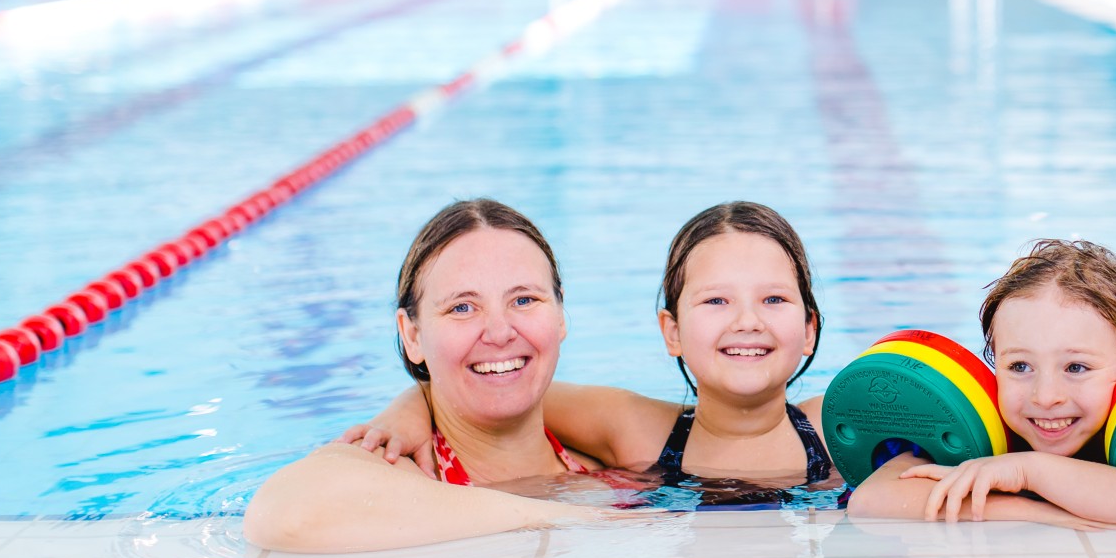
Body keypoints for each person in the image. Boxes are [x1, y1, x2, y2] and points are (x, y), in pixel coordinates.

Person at [342, 201, 836, 495]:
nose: (747, 321)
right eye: (716, 300)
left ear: (809, 328)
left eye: (774, 299)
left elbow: (508, 383)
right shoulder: (634, 430)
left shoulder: (837, 427)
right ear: (672, 332)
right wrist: (403, 416)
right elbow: (467, 387)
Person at [243, 199, 619, 552]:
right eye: (462, 307)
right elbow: (283, 514)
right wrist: (562, 517)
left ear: (559, 315)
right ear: (412, 335)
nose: (500, 332)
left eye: (524, 300)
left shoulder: (613, 467)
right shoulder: (400, 477)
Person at [846, 240, 1116, 530]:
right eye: (1019, 365)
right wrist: (1027, 509)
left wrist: (1027, 471)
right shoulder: (983, 433)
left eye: (1076, 366)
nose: (1046, 397)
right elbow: (871, 499)